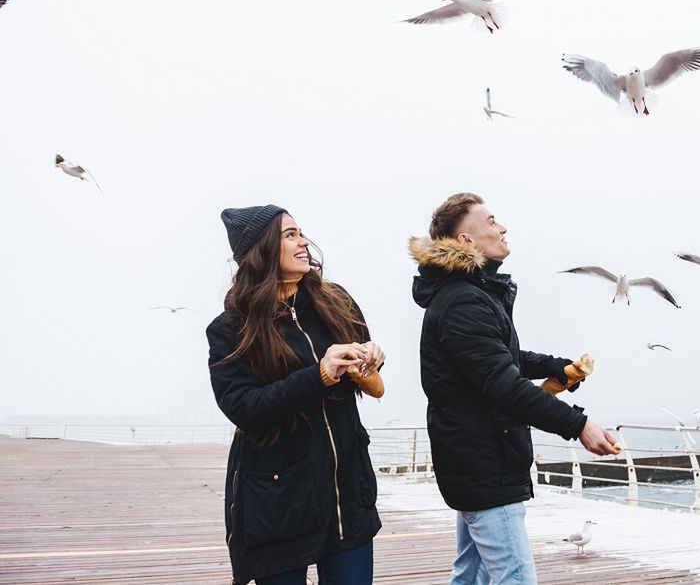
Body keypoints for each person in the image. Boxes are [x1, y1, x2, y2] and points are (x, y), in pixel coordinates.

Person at [410, 192, 620, 585]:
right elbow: (502, 384)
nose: (502, 227)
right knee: (514, 577)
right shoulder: (463, 302)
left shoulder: (469, 295)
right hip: (485, 461)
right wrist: (579, 425)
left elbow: (501, 357)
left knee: (470, 576)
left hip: (477, 461)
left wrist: (555, 366)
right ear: (465, 241)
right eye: (490, 221)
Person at [207, 204, 384, 585]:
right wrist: (319, 374)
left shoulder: (336, 301)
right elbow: (245, 408)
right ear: (261, 249)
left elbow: (366, 376)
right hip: (278, 503)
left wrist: (371, 359)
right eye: (290, 234)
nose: (304, 242)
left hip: (345, 496)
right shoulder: (230, 328)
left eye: (301, 232)